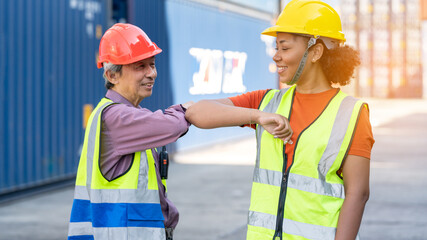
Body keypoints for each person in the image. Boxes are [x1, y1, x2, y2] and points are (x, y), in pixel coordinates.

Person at [185, 0, 374, 239]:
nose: (276, 57)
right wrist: (256, 115)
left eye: (284, 48)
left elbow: (358, 193)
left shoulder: (352, 113)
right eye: (276, 48)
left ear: (315, 51)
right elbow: (196, 112)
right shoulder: (266, 103)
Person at [67, 23, 192, 240]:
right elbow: (174, 125)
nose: (151, 73)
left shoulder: (129, 114)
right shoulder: (117, 117)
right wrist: (185, 109)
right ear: (111, 75)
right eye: (140, 66)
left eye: (152, 64)